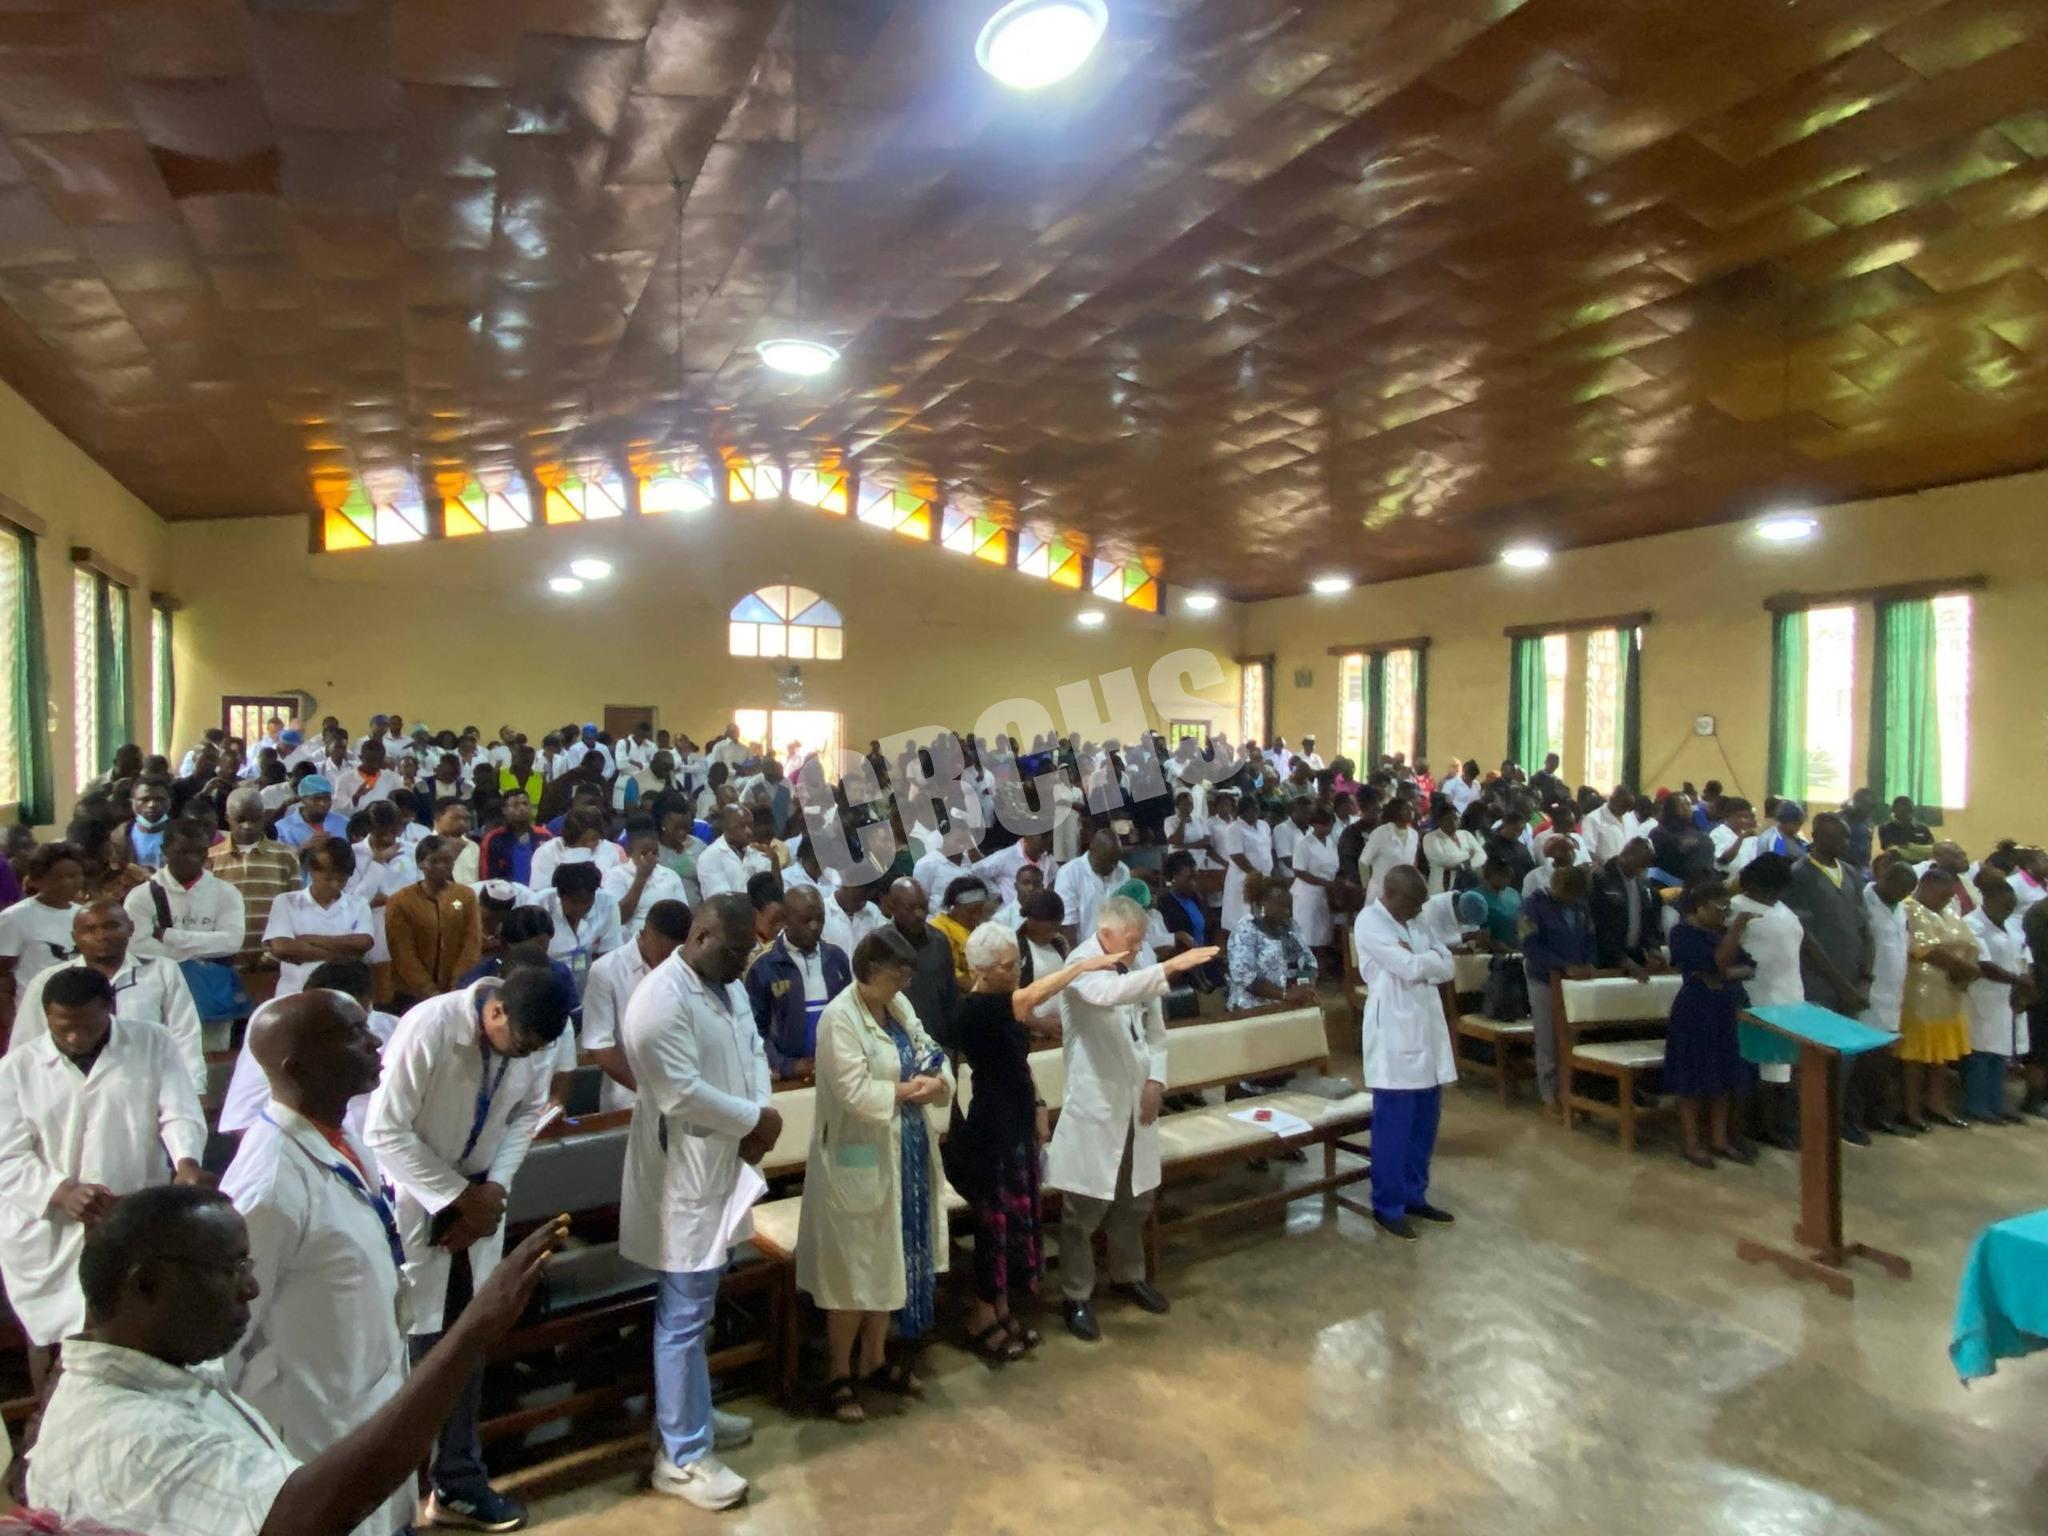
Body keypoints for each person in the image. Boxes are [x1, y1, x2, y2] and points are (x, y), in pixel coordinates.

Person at [25, 1183, 567, 1536]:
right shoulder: (134, 1439)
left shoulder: (145, 1364)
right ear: (146, 1284)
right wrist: (470, 1334)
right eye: (232, 1269)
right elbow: (301, 1519)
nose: (252, 1287)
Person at [363, 969, 571, 1531]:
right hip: (417, 1197)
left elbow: (529, 1112)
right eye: (522, 1045)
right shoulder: (429, 1026)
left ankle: (457, 1484)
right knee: (412, 1354)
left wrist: (492, 1193)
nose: (529, 1056)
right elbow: (384, 1130)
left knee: (465, 1345)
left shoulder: (533, 1037)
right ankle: (393, 1502)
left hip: (478, 1202)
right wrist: (456, 1199)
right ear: (496, 1013)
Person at [218, 991, 414, 1536]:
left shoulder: (342, 1135)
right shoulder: (267, 1184)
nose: (375, 1041)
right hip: (307, 1428)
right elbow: (226, 1339)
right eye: (352, 1034)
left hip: (364, 1400)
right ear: (297, 1066)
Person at [618, 894, 778, 1509]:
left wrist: (760, 1114)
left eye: (751, 950)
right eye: (738, 950)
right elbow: (680, 1093)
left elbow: (754, 1050)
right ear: (701, 934)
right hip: (682, 1174)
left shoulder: (726, 983)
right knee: (683, 1315)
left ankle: (695, 1415)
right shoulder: (658, 1003)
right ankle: (681, 1455)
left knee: (703, 1305)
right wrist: (753, 1123)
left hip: (724, 1162)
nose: (746, 963)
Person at [0, 968, 207, 1380]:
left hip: (131, 1209)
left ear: (110, 1009)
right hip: (51, 1226)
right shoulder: (16, 1068)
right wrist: (60, 1192)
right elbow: (7, 1155)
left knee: (134, 1327)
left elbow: (179, 1111)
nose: (75, 1037)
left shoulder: (152, 1043)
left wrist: (186, 1163)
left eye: (86, 1026)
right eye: (63, 1029)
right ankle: (52, 1417)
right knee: (58, 1336)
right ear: (46, 1018)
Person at [940, 923, 1122, 1363]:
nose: (1014, 970)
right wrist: (1081, 967)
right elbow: (1033, 996)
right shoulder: (978, 1009)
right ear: (981, 970)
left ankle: (1002, 1308)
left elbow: (1019, 1062)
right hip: (992, 1127)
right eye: (1005, 966)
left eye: (1015, 962)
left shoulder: (1006, 1006)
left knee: (1016, 1224)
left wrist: (1039, 1103)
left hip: (1017, 1119)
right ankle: (982, 1314)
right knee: (994, 1226)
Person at [795, 926, 953, 1422]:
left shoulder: (899, 1009)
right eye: (895, 975)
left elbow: (935, 1057)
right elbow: (855, 1094)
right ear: (867, 972)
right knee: (852, 1269)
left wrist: (935, 1082)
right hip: (856, 1157)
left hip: (904, 1150)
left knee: (891, 1259)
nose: (903, 985)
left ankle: (874, 1360)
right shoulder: (840, 1019)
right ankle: (838, 1374)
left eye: (907, 975)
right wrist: (911, 1090)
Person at [1045, 896, 1218, 1341]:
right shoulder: (1081, 965)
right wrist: (1172, 967)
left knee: (1135, 1198)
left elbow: (1156, 1033)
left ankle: (1128, 1275)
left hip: (1137, 1101)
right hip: (1096, 1102)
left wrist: (1156, 1082)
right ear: (1106, 935)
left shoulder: (1135, 970)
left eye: (1142, 943)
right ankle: (1076, 1295)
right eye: (1133, 941)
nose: (1139, 951)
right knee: (1084, 1205)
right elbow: (1112, 994)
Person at [8, 902, 206, 1101]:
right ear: (74, 937)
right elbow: (26, 1041)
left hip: (147, 1087)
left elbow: (185, 1033)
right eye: (89, 930)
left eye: (111, 926)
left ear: (130, 928)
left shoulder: (161, 971)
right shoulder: (50, 980)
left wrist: (195, 1089)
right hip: (71, 1091)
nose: (101, 936)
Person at [1352, 866, 1457, 1239]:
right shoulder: (1369, 921)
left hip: (1427, 1027)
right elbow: (1409, 967)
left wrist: (1422, 959)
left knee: (1424, 1123)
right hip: (1394, 1030)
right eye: (1414, 903)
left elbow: (1447, 963)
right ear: (1392, 895)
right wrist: (1423, 959)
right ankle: (1388, 1205)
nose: (1419, 910)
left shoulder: (1415, 917)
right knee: (1394, 1126)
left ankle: (1415, 1195)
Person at [1783, 813, 1877, 1142]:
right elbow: (1806, 938)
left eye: (1848, 838)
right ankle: (1807, 1125)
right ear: (1819, 837)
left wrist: (1864, 977)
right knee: (1813, 1058)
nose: (1847, 844)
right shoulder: (1800, 874)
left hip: (1852, 982)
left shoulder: (1851, 874)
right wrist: (1842, 984)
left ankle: (1835, 1122)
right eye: (1840, 838)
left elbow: (1865, 929)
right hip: (1820, 982)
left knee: (1846, 1059)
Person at [1663, 883, 1759, 1169]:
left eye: (1728, 909)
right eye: (1721, 908)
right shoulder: (1682, 933)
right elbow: (1714, 963)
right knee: (1692, 1078)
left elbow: (1749, 967)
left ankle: (1720, 1140)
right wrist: (1736, 930)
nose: (1726, 915)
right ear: (1700, 906)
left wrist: (1722, 973)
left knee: (1724, 1076)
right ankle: (1691, 1143)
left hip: (1726, 1008)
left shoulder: (1718, 933)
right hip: (1696, 1010)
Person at [581, 899, 690, 1112]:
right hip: (628, 1095)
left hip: (684, 1091)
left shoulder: (685, 964)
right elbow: (600, 1046)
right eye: (663, 954)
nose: (667, 962)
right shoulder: (605, 971)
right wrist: (646, 1090)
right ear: (646, 932)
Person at [1897, 866, 1976, 1131]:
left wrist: (1967, 969)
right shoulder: (1909, 908)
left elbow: (1968, 942)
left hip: (1950, 993)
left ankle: (1937, 1104)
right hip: (1920, 993)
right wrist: (1960, 966)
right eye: (1942, 895)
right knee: (1916, 1058)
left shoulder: (1948, 911)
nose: (1946, 901)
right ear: (1927, 887)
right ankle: (1911, 1109)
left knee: (1941, 1057)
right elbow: (1923, 949)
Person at [745, 884, 851, 1079]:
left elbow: (852, 1015)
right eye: (806, 920)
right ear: (785, 920)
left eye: (820, 919)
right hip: (787, 1077)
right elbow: (753, 1029)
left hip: (838, 1070)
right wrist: (785, 1065)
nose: (814, 926)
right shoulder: (763, 965)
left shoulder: (837, 958)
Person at [1521, 863, 1596, 1110]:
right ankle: (1549, 1096)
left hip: (1575, 981)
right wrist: (1561, 966)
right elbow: (1529, 945)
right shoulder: (1532, 906)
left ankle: (1571, 1091)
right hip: (1544, 979)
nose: (1571, 899)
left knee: (1573, 1038)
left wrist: (1589, 963)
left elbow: (1589, 936)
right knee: (1548, 1037)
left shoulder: (1580, 905)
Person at [123, 821, 245, 966]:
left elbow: (232, 942)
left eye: (199, 852)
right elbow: (138, 946)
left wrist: (167, 935)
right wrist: (201, 954)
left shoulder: (227, 893)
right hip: (159, 983)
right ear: (164, 851)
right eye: (183, 852)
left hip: (211, 983)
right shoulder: (141, 897)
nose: (193, 858)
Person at [384, 835, 483, 1009]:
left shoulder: (465, 895)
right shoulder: (400, 901)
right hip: (411, 993)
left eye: (448, 860)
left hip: (456, 992)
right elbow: (403, 952)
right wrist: (428, 990)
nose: (443, 866)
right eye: (436, 861)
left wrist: (457, 985)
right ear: (421, 864)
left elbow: (472, 943)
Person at [1962, 880, 2030, 1125]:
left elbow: (2022, 958)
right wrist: (2018, 982)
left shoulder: (2010, 926)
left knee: (1999, 1053)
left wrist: (2020, 987)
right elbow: (1984, 965)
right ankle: (1976, 1104)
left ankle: (1996, 1103)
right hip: (1980, 995)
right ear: (1988, 900)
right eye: (2004, 906)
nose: (2008, 911)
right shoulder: (1973, 924)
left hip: (2004, 998)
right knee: (1980, 1052)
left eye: (2011, 907)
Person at [211, 787, 302, 968]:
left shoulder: (286, 855)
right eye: (240, 819)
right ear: (228, 817)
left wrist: (276, 955)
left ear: (263, 816)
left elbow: (296, 909)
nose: (247, 825)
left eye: (254, 819)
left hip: (274, 962)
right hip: (227, 963)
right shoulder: (211, 858)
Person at [0, 843, 87, 1015]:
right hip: (33, 1011)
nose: (70, 882)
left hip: (79, 1009)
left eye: (75, 875)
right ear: (37, 880)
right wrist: (10, 1018)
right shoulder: (14, 917)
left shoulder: (83, 914)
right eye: (59, 877)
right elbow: (2, 975)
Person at [1225, 873, 1318, 1012]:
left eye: (1289, 907)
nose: (1287, 912)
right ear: (1262, 904)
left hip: (1290, 1003)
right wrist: (1285, 995)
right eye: (1281, 906)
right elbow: (1244, 976)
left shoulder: (1291, 927)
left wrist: (1302, 988)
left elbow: (1309, 963)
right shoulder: (1245, 930)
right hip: (1252, 1007)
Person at [603, 819, 688, 941]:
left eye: (654, 852)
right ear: (630, 852)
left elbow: (683, 915)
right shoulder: (615, 875)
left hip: (667, 939)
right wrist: (641, 878)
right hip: (630, 942)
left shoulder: (670, 875)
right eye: (644, 853)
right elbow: (617, 918)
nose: (651, 858)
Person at [1589, 837, 1661, 970]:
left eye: (1645, 866)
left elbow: (1649, 922)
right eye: (1639, 864)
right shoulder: (1600, 879)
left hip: (1636, 956)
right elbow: (1599, 925)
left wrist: (1652, 948)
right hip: (1606, 959)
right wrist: (1620, 958)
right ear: (1625, 855)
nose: (1641, 869)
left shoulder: (1645, 884)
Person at [1052, 829, 1130, 946]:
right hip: (1083, 949)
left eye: (1115, 861)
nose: (1112, 867)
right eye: (1106, 861)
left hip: (1116, 947)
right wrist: (1075, 959)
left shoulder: (1122, 870)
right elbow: (1067, 925)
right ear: (1092, 850)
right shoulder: (1069, 873)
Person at [1288, 803, 1339, 950]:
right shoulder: (1304, 844)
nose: (1330, 829)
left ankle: (1322, 967)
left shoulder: (1331, 842)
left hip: (1326, 894)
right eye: (1327, 826)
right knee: (1308, 935)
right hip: (1307, 894)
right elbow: (1299, 871)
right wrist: (1324, 882)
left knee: (1323, 935)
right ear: (1316, 825)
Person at [477, 790, 551, 887]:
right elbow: (486, 873)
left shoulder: (545, 835)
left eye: (525, 804)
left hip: (539, 894)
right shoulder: (493, 839)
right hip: (506, 895)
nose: (522, 808)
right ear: (504, 810)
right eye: (515, 805)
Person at [696, 806, 768, 900]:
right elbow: (721, 899)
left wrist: (774, 861)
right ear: (725, 827)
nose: (749, 831)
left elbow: (770, 894)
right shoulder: (709, 857)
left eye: (750, 826)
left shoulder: (758, 852)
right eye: (741, 826)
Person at [1358, 796, 1419, 905]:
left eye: (1412, 809)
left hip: (1403, 891)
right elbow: (1363, 862)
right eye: (1406, 809)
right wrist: (1366, 886)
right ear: (1395, 811)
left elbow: (1412, 862)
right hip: (1380, 890)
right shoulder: (1381, 833)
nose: (1410, 812)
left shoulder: (1414, 834)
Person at [1422, 803, 1483, 895]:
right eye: (1449, 819)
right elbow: (1444, 860)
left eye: (1456, 818)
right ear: (1439, 821)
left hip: (1466, 887)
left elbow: (1481, 856)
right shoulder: (1430, 837)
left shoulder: (1465, 835)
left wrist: (1464, 863)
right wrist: (1468, 855)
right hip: (1440, 890)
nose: (1454, 822)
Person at [273, 776, 348, 849]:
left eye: (327, 798)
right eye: (317, 798)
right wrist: (303, 849)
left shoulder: (344, 823)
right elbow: (280, 860)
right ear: (302, 799)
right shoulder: (282, 828)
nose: (323, 803)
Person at [1877, 796, 1935, 860]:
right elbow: (1893, 851)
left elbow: (1932, 850)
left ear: (1912, 810)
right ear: (1893, 810)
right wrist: (1919, 851)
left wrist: (1909, 847)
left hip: (1921, 865)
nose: (1905, 813)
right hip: (1896, 866)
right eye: (1901, 810)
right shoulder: (1885, 828)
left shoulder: (1923, 828)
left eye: (1908, 809)